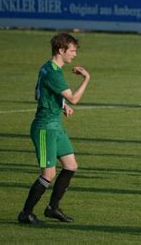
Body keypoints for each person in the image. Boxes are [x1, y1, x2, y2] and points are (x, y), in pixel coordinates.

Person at [18, 33, 91, 225]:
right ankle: (26, 213)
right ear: (61, 50)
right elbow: (74, 98)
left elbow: (38, 93)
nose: (74, 54)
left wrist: (60, 104)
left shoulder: (46, 68)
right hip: (45, 129)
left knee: (71, 165)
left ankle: (52, 208)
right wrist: (86, 78)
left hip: (55, 127)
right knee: (48, 174)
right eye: (72, 50)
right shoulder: (54, 73)